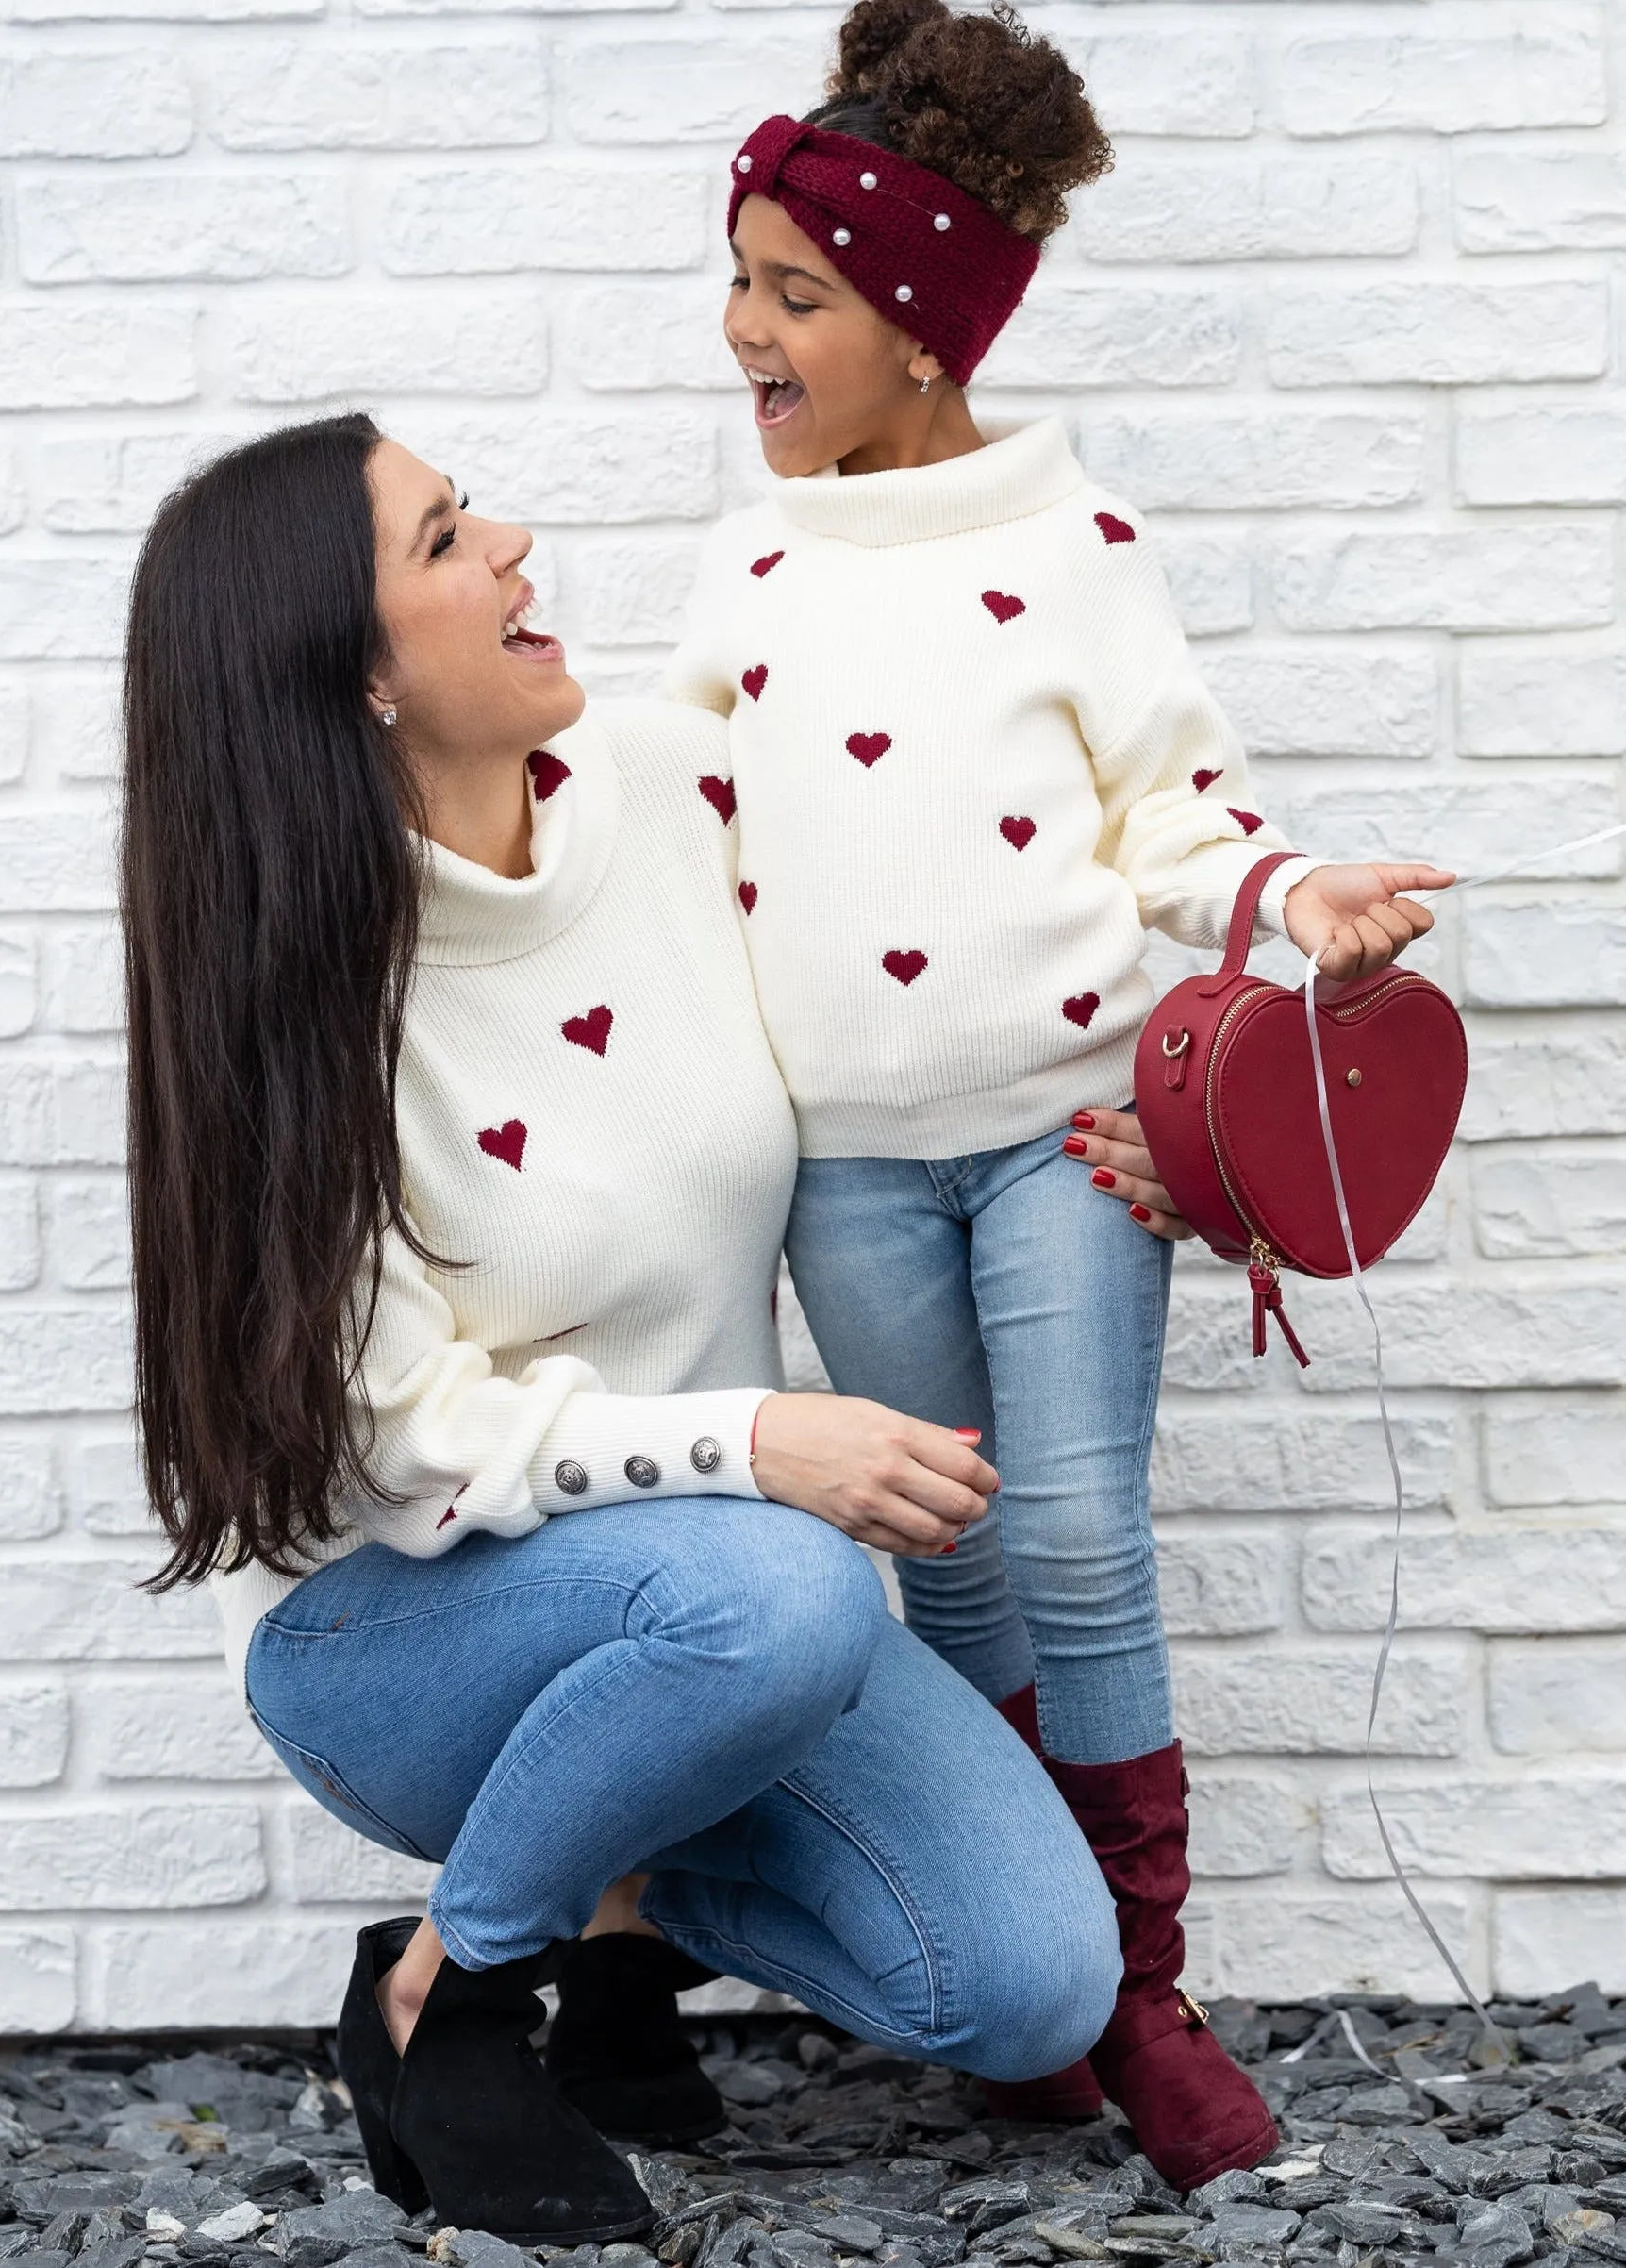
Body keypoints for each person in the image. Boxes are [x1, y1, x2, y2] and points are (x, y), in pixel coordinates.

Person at [118, 413, 1123, 2246]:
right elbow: (399, 1438)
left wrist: (1105, 1092)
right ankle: (455, 1991)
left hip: (724, 1613)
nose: (511, 541)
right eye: (441, 538)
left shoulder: (681, 789)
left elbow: (944, 929)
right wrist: (753, 1445)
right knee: (788, 1584)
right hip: (409, 1632)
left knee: (1029, 1990)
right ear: (354, 673)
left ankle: (607, 1909)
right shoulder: (308, 1002)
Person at [663, 0, 1453, 2191]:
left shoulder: (1075, 553)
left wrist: (1297, 896)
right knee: (962, 1573)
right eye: (734, 275)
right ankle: (1059, 1989)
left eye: (789, 291)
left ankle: (1139, 1990)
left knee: (1084, 1533)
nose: (740, 327)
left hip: (1063, 1139)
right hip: (847, 1170)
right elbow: (669, 836)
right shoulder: (742, 567)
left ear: (923, 324)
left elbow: (1182, 822)